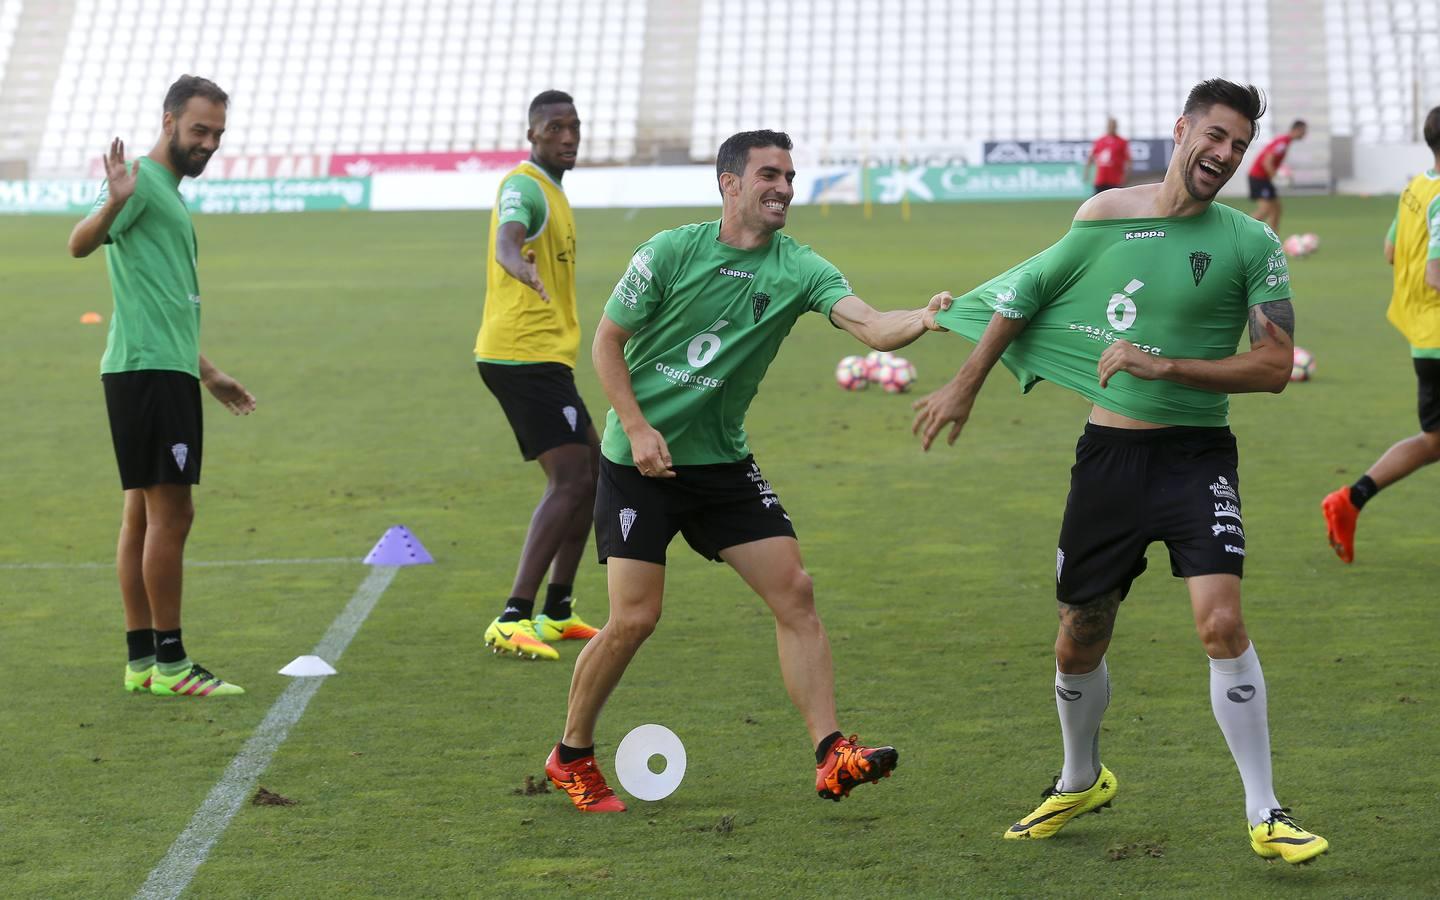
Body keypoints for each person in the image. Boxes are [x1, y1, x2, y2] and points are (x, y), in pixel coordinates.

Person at [912, 80, 1328, 863]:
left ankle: (1267, 810)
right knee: (1079, 635)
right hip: (1108, 460)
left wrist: (1166, 366)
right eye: (1215, 136)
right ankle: (1080, 777)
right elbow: (1025, 293)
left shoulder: (1251, 243)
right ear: (1181, 130)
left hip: (1196, 458)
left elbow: (1275, 366)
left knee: (1221, 623)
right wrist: (964, 383)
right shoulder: (1104, 213)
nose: (1225, 156)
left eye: (1239, 146)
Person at [544, 129, 951, 812]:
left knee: (795, 591)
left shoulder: (800, 268)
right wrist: (638, 427)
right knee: (634, 619)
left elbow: (872, 326)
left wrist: (924, 317)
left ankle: (831, 753)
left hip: (722, 463)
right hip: (640, 462)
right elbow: (608, 343)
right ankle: (571, 754)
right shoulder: (671, 251)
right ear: (729, 183)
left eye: (790, 177)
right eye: (769, 174)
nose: (784, 188)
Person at [67, 75, 255, 698]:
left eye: (217, 134)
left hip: (157, 367)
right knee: (172, 513)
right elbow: (78, 243)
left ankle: (142, 659)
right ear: (169, 120)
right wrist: (115, 200)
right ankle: (173, 663)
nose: (208, 143)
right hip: (147, 374)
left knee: (141, 517)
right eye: (199, 129)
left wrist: (210, 372)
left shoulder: (168, 192)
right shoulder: (141, 183)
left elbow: (161, 303)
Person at [475, 90, 601, 661]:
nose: (568, 136)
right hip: (521, 355)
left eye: (574, 126)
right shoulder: (525, 186)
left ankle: (556, 611)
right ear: (533, 134)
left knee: (592, 476)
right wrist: (513, 261)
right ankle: (513, 615)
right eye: (556, 128)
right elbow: (509, 234)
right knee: (573, 478)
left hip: (545, 354)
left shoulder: (554, 190)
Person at [1322, 106, 1440, 563]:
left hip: (1423, 337)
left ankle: (1351, 500)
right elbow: (1435, 275)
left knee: (1433, 440)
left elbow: (1391, 250)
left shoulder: (1417, 186)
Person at [1248, 119, 1307, 232]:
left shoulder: (1285, 142)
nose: (1305, 134)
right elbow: (1267, 161)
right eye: (1303, 131)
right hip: (1259, 177)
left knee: (1276, 209)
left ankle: (1274, 241)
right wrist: (1276, 177)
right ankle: (1240, 230)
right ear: (1297, 129)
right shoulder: (1283, 143)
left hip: (1264, 179)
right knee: (1265, 210)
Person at [1084, 117, 1131, 194]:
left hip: (1115, 181)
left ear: (1116, 126)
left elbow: (1129, 161)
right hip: (1101, 180)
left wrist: (1126, 176)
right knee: (1098, 203)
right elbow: (1091, 157)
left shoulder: (1122, 142)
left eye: (1113, 125)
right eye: (1110, 125)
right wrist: (1086, 172)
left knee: (1115, 204)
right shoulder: (1099, 141)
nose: (1111, 127)